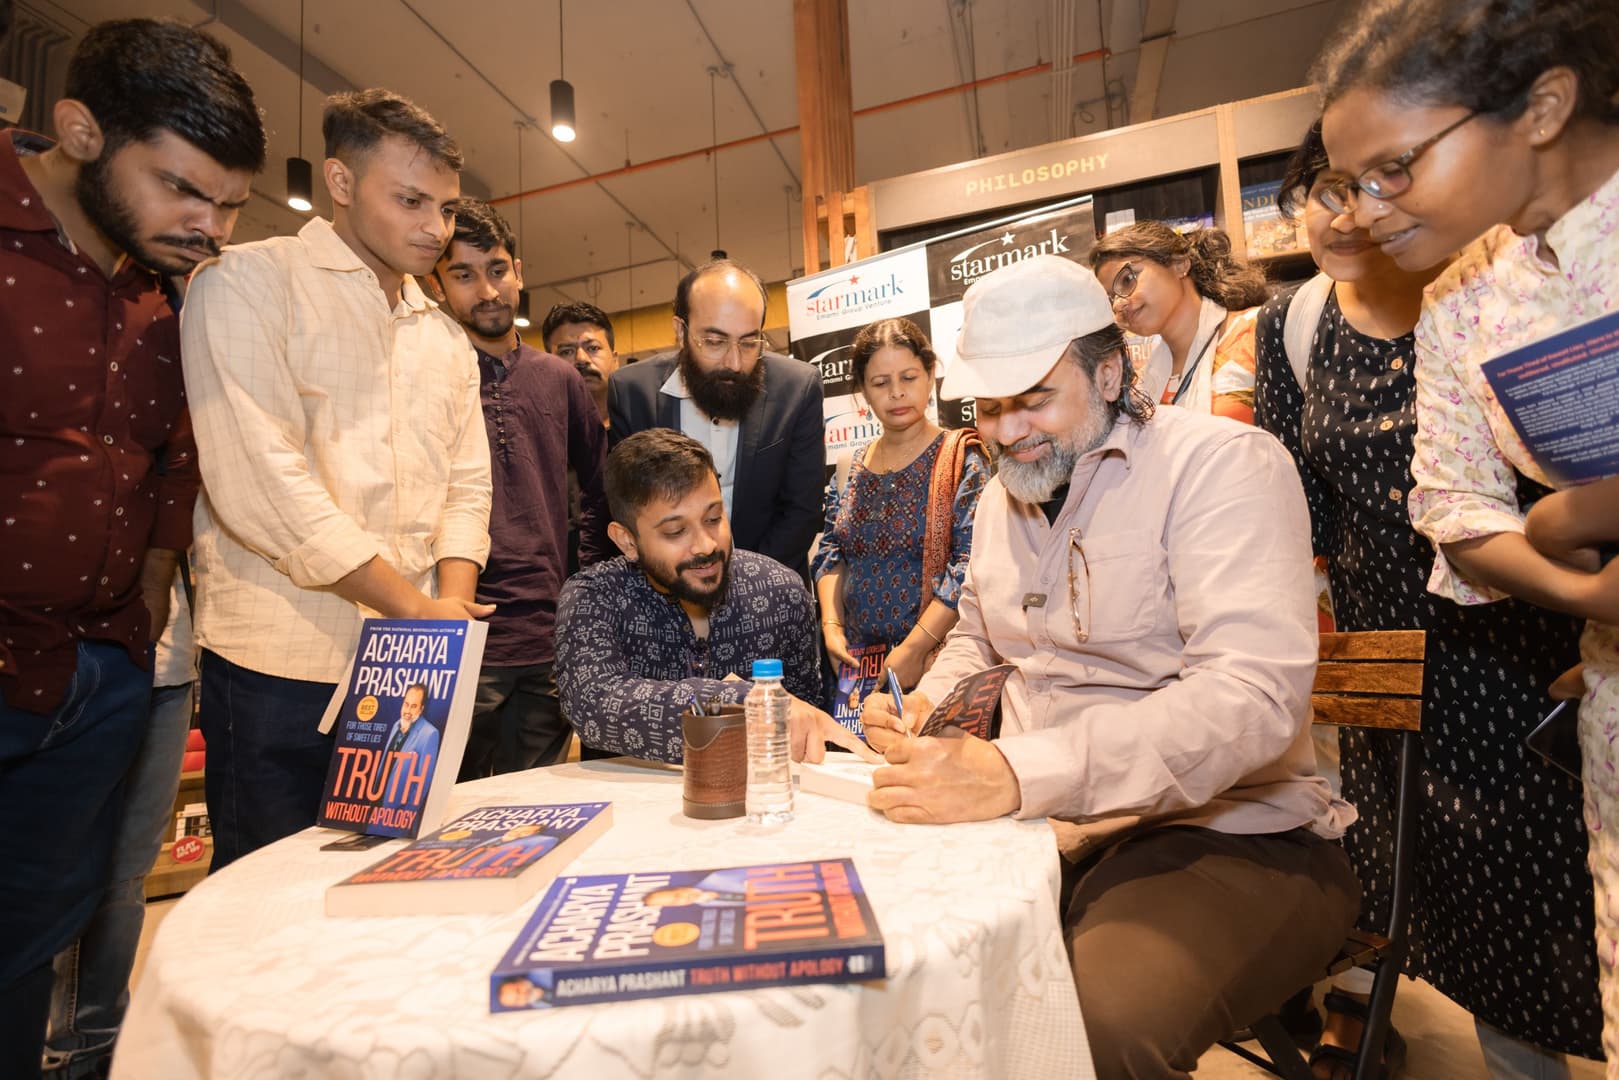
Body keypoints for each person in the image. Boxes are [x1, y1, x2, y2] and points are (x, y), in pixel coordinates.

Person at [860, 255, 1359, 1077]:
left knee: (1095, 1028)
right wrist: (923, 710)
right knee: (893, 977)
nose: (1008, 430)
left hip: (1227, 833)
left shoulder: (1223, 465)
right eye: (988, 407)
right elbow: (975, 644)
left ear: (1109, 370)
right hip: (1043, 832)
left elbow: (1248, 702)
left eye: (1035, 399)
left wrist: (1018, 773)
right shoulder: (996, 500)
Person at [1254, 119, 1599, 1076]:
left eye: (1378, 184)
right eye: (1325, 187)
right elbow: (1297, 509)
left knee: (1533, 889)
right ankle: (1366, 1019)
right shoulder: (1291, 325)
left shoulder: (1498, 293)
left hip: (1515, 640)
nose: (1347, 213)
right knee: (1401, 870)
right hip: (1379, 650)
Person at [0, 18, 263, 1078]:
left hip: (97, 676)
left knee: (30, 954)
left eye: (230, 204)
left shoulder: (168, 288)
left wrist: (145, 599)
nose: (209, 226)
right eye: (181, 189)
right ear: (77, 130)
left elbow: (168, 461)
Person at [181, 88, 493, 871]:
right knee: (267, 898)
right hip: (280, 663)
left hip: (411, 672)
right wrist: (422, 611)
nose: (435, 228)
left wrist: (446, 606)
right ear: (341, 183)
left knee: (389, 881)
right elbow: (263, 485)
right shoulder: (247, 282)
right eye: (411, 200)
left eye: (447, 207)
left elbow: (467, 485)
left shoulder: (444, 337)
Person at [555, 429, 873, 765]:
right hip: (633, 810)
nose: (706, 545)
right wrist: (752, 702)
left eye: (713, 518)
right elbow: (595, 704)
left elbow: (808, 725)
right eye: (676, 531)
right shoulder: (594, 597)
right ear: (627, 541)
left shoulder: (780, 593)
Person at [431, 199, 608, 776]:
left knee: (539, 812)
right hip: (454, 635)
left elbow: (603, 489)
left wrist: (578, 580)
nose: (487, 290)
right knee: (447, 815)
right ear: (437, 285)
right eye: (463, 274)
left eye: (498, 269)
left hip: (546, 638)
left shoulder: (558, 378)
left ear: (519, 271)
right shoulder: (429, 374)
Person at [606, 259, 824, 578]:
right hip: (668, 591)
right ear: (681, 331)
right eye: (714, 342)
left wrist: (742, 587)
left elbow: (801, 511)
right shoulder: (631, 394)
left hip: (769, 588)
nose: (734, 363)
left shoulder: (797, 388)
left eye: (749, 342)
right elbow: (631, 511)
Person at [812, 317, 990, 696]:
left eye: (908, 377)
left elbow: (971, 565)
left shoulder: (961, 459)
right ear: (861, 390)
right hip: (856, 668)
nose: (896, 393)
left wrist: (914, 649)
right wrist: (832, 627)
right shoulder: (849, 468)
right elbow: (831, 552)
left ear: (930, 374)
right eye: (880, 383)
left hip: (937, 666)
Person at [1089, 221, 1271, 420]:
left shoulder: (1256, 332)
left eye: (1127, 280)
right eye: (1110, 299)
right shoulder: (1145, 384)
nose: (1118, 304)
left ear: (1179, 264)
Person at [543, 300, 621, 425]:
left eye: (593, 348)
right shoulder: (538, 434)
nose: (581, 359)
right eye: (567, 352)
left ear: (615, 360)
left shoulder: (642, 422)